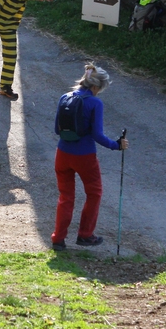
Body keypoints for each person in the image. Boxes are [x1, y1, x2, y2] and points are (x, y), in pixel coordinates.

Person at [51, 63, 128, 250]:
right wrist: (116, 145)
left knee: (66, 196)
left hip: (62, 154)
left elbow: (57, 130)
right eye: (100, 89)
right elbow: (97, 135)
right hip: (84, 156)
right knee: (94, 193)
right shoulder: (95, 103)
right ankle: (85, 235)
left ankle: (58, 239)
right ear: (95, 86)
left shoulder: (65, 97)